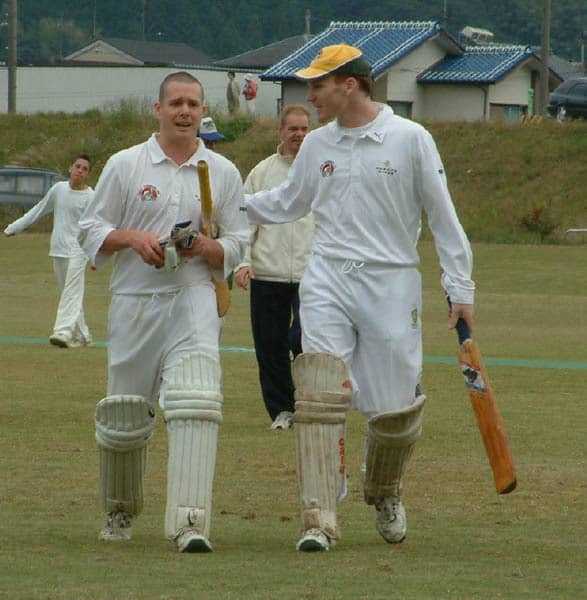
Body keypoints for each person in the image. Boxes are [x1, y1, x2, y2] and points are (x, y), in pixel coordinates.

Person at [243, 44, 475, 552]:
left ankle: (386, 490)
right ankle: (320, 511)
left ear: (350, 85)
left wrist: (460, 287)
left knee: (392, 407)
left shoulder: (410, 139)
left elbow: (443, 217)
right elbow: (288, 201)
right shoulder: (318, 144)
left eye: (319, 85)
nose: (311, 96)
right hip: (327, 276)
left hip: (391, 280)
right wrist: (233, 206)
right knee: (320, 388)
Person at [78, 71, 249, 553]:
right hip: (134, 300)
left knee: (197, 399)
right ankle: (119, 508)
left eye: (193, 103)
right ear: (158, 109)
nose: (185, 111)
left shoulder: (222, 171)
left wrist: (205, 247)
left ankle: (190, 520)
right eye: (176, 103)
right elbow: (90, 228)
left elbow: (240, 242)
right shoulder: (126, 164)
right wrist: (134, 239)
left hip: (194, 297)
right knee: (126, 414)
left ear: (203, 110)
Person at [234, 105, 313, 431]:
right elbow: (244, 221)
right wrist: (243, 262)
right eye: (293, 129)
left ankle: (309, 403)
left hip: (311, 274)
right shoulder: (262, 172)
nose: (299, 135)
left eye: (304, 129)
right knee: (270, 346)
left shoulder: (320, 171)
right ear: (281, 131)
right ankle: (282, 410)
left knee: (304, 339)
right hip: (267, 273)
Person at [4, 155, 94, 348]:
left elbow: (95, 227)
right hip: (58, 249)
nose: (80, 171)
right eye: (77, 166)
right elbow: (40, 209)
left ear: (88, 175)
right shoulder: (59, 189)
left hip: (79, 251)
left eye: (84, 169)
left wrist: (95, 254)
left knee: (72, 293)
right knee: (67, 293)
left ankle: (63, 332)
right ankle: (84, 335)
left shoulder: (90, 197)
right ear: (70, 168)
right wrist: (14, 227)